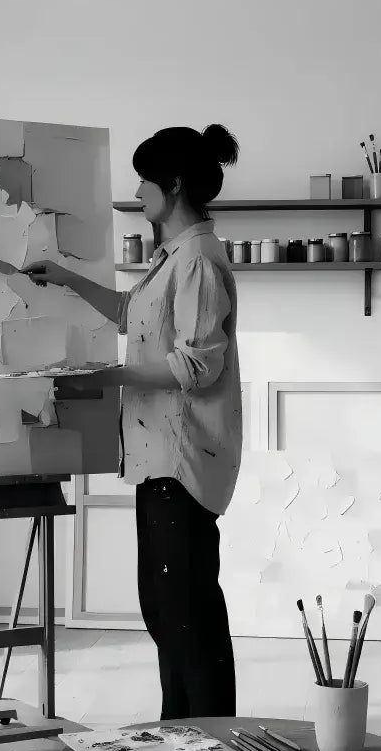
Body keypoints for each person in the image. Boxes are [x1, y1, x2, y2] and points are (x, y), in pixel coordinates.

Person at [25, 124, 242, 720]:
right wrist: (68, 279)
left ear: (172, 185)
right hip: (159, 458)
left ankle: (208, 750)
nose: (138, 190)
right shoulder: (173, 257)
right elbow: (131, 313)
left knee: (183, 617)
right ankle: (187, 742)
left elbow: (198, 363)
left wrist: (106, 379)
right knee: (171, 616)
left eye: (145, 179)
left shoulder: (196, 258)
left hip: (183, 459)